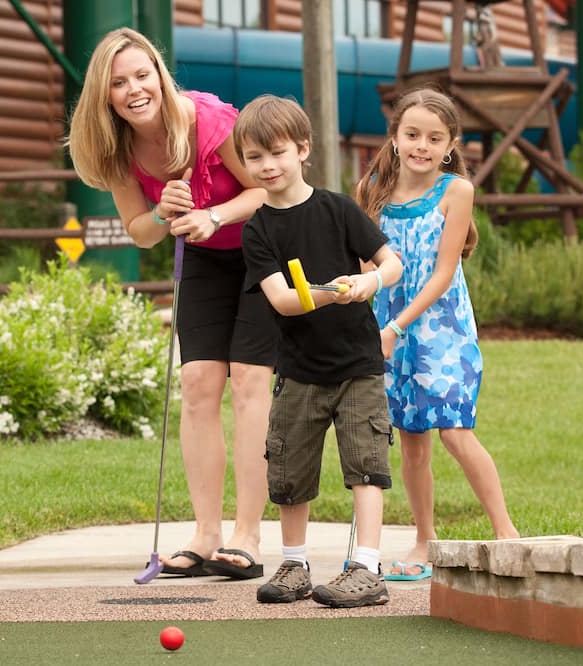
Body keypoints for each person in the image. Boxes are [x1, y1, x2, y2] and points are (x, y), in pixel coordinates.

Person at [67, 27, 275, 579]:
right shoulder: (117, 147)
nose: (135, 89)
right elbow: (140, 232)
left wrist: (214, 214)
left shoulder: (209, 122)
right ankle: (206, 534)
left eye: (143, 75)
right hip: (203, 258)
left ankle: (247, 537)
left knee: (249, 383)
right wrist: (163, 213)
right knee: (198, 385)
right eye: (119, 82)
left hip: (262, 251)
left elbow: (265, 191)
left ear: (160, 76)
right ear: (105, 94)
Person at [234, 94, 404, 606]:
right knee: (290, 471)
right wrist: (333, 291)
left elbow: (392, 263)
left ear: (303, 149)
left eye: (277, 152)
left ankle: (367, 568)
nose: (267, 165)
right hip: (299, 369)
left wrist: (369, 282)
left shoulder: (338, 209)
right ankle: (295, 565)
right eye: (254, 157)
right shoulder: (257, 229)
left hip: (358, 365)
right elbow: (283, 301)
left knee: (366, 464)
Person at [356, 88, 519, 581]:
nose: (421, 146)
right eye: (412, 135)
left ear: (450, 145)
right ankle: (424, 540)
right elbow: (366, 267)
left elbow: (443, 273)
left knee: (454, 429)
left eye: (434, 138)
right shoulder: (371, 191)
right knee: (411, 441)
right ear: (395, 137)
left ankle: (507, 534)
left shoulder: (456, 192)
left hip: (441, 330)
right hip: (387, 329)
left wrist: (396, 326)